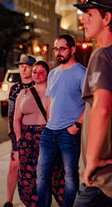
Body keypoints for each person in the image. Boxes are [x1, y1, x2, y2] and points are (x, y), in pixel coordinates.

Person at [36, 34, 86, 207]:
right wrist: (48, 123)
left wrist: (77, 124)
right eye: (56, 49)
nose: (58, 52)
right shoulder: (53, 74)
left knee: (70, 176)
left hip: (69, 132)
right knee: (42, 174)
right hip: (50, 132)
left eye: (62, 49)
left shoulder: (81, 72)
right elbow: (50, 101)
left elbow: (91, 102)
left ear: (72, 50)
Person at [73, 0, 112, 206]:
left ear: (107, 18)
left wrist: (93, 160)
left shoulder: (102, 55)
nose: (83, 19)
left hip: (100, 179)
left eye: (89, 13)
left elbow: (102, 107)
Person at [14, 61, 65, 207]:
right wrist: (19, 140)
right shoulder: (24, 93)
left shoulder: (54, 92)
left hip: (47, 136)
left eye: (41, 72)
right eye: (35, 71)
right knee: (28, 177)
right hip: (27, 139)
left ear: (48, 74)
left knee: (52, 174)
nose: (37, 74)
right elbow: (16, 118)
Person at [4, 55, 36, 207]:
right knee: (14, 164)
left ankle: (36, 198)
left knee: (36, 167)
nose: (23, 69)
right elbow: (11, 115)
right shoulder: (15, 88)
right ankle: (9, 200)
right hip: (19, 132)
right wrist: (13, 137)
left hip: (36, 131)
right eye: (21, 66)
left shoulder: (39, 85)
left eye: (27, 66)